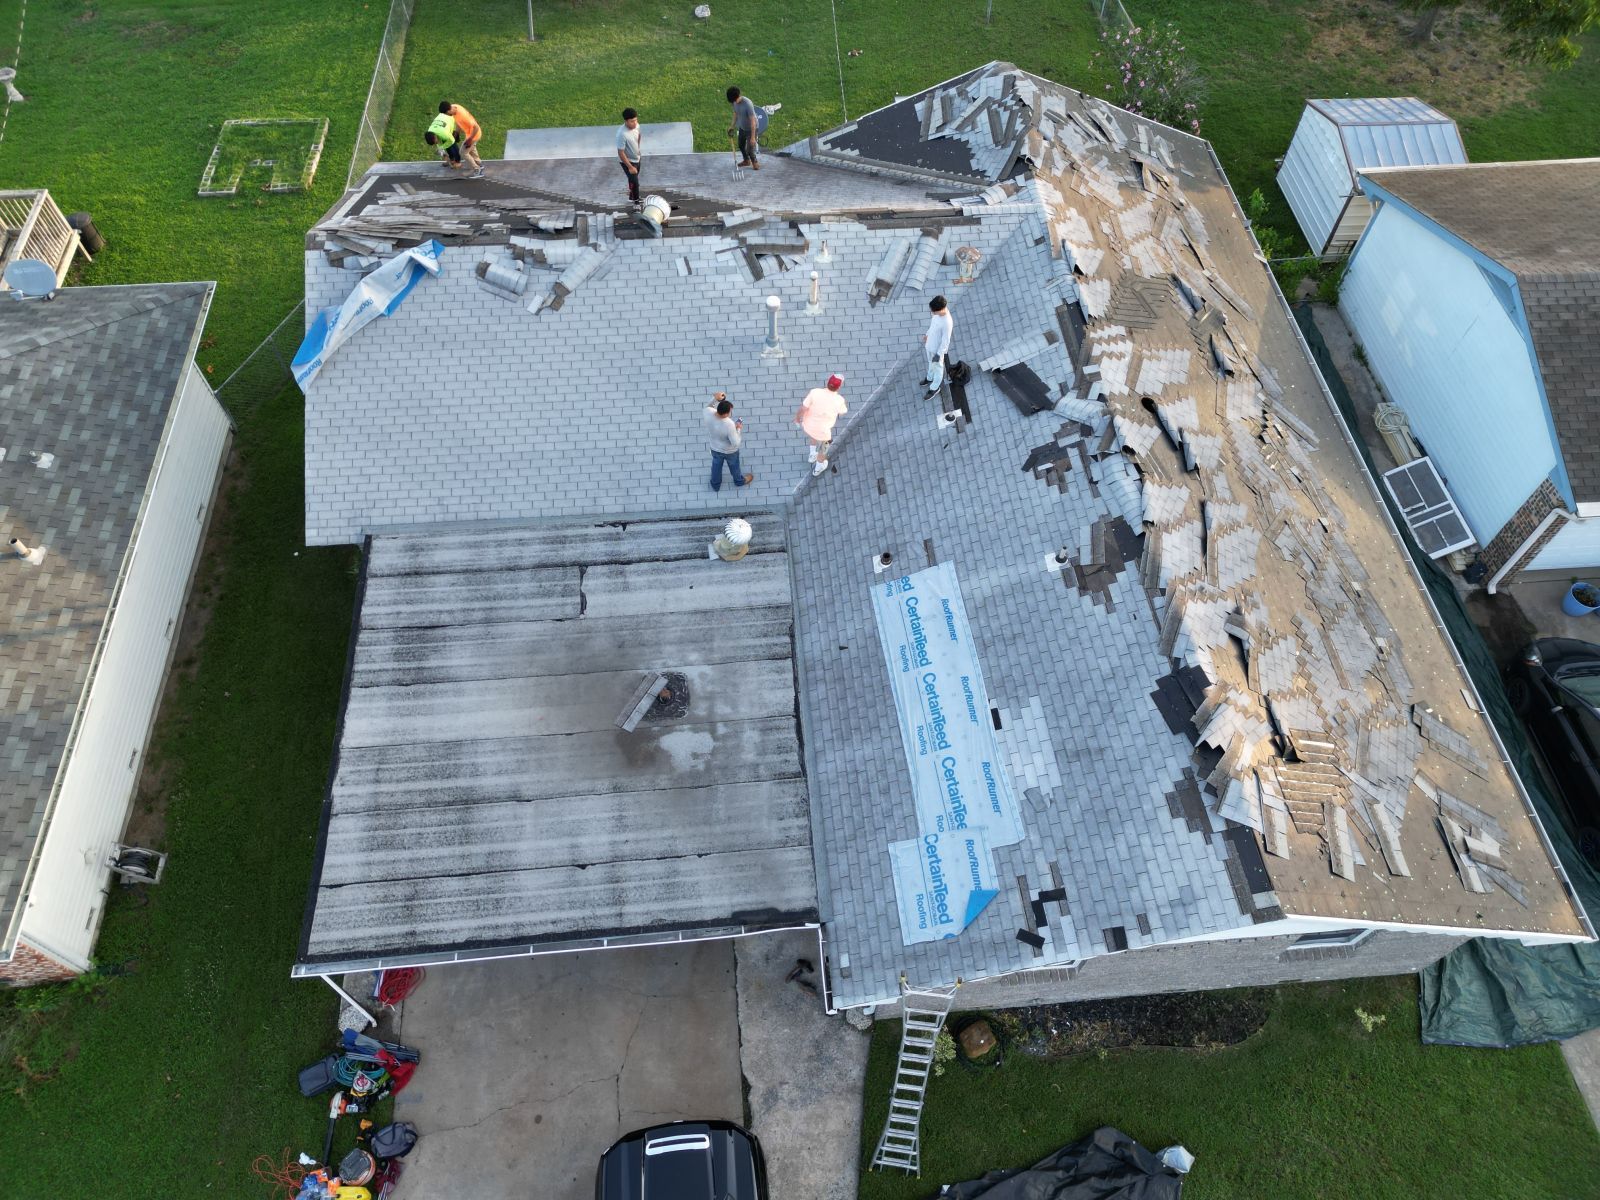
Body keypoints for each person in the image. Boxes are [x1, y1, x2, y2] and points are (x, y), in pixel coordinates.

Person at [795, 374, 847, 477]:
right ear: (839, 387)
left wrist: (797, 419)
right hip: (823, 432)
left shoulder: (815, 392)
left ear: (828, 382)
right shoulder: (839, 400)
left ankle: (812, 455)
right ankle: (818, 468)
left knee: (813, 437)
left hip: (808, 425)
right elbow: (843, 411)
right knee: (823, 450)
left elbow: (803, 408)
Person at [704, 393, 754, 491]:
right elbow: (735, 442)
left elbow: (708, 406)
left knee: (716, 466)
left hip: (714, 447)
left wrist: (715, 398)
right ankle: (739, 481)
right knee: (734, 466)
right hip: (730, 451)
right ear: (726, 414)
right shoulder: (729, 424)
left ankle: (715, 485)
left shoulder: (708, 413)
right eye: (730, 411)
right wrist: (738, 429)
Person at [440, 101, 484, 178]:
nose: (447, 116)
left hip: (474, 135)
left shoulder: (463, 116)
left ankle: (477, 169)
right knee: (472, 149)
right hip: (470, 134)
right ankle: (479, 164)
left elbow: (476, 127)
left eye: (446, 114)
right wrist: (457, 133)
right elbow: (458, 123)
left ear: (449, 110)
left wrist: (470, 139)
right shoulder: (454, 107)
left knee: (463, 152)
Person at [922, 295, 954, 395]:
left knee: (938, 368)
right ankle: (929, 378)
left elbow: (945, 341)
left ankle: (935, 387)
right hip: (929, 345)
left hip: (936, 351)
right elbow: (932, 326)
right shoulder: (937, 314)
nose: (932, 313)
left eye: (934, 311)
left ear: (941, 309)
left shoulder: (947, 322)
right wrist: (927, 335)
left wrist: (939, 355)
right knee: (930, 363)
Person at [726, 86, 760, 170]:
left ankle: (754, 161)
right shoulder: (734, 102)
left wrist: (752, 137)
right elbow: (735, 113)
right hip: (742, 128)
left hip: (752, 129)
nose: (735, 103)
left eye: (735, 101)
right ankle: (746, 160)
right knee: (741, 145)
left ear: (738, 96)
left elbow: (753, 121)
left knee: (749, 149)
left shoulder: (747, 104)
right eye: (733, 101)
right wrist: (732, 126)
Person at [616, 107, 643, 209]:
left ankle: (632, 196)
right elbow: (621, 152)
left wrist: (638, 148)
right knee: (635, 182)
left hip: (637, 158)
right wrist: (630, 167)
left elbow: (639, 135)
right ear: (626, 121)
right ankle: (636, 203)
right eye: (632, 121)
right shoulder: (621, 134)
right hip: (627, 161)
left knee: (633, 179)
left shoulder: (637, 126)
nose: (635, 123)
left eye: (636, 120)